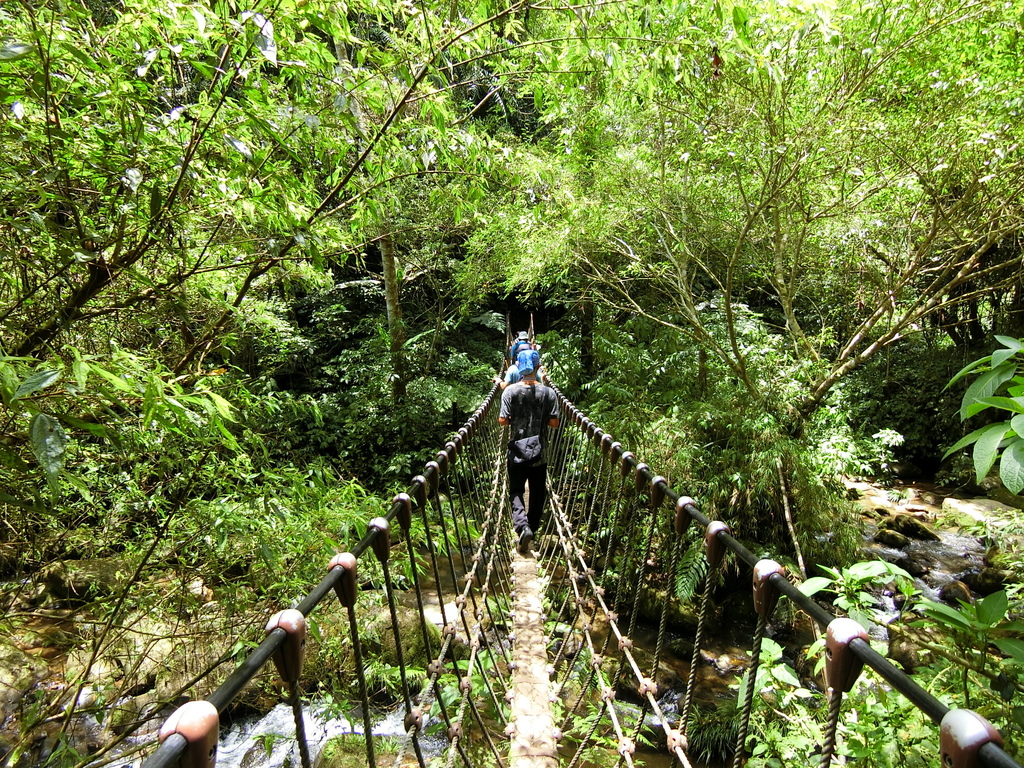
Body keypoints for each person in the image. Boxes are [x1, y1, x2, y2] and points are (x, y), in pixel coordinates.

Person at [498, 348, 560, 554]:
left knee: (516, 491)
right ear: (538, 367)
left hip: (516, 451)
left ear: (518, 367)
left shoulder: (510, 391)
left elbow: (502, 420)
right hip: (540, 452)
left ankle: (522, 526)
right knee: (537, 492)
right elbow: (554, 423)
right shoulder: (548, 392)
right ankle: (532, 528)